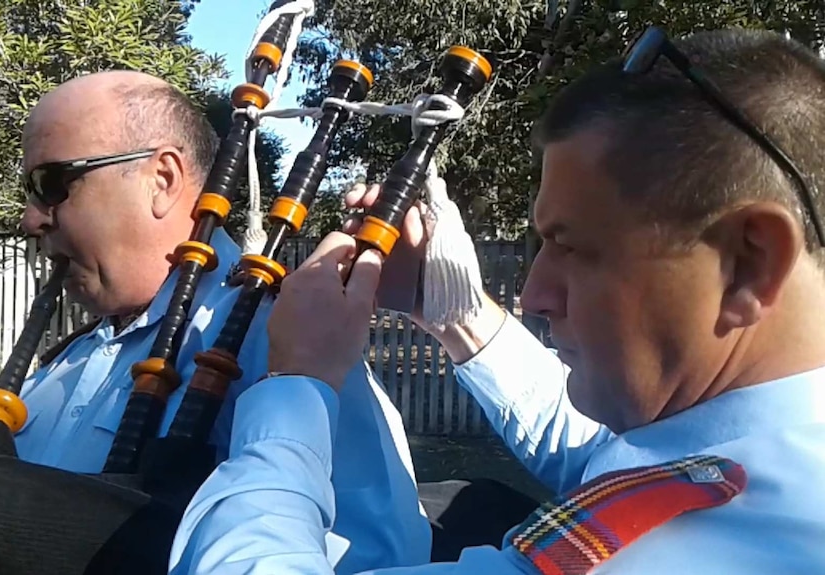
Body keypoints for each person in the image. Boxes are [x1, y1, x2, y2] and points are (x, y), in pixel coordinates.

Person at [170, 27, 825, 573]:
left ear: (749, 262)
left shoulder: (710, 540)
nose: (536, 293)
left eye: (574, 247)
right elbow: (603, 456)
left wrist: (296, 383)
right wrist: (458, 315)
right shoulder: (760, 445)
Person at [14, 70, 430, 573]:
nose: (31, 218)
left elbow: (379, 560)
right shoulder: (65, 360)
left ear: (161, 180)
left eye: (52, 184)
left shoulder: (282, 347)